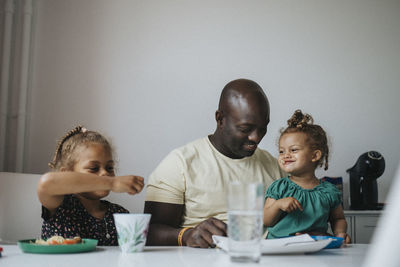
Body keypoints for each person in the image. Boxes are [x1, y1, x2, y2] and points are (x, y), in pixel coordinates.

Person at [144, 79, 285, 248]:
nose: (256, 137)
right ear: (220, 119)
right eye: (245, 129)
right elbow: (149, 232)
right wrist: (186, 235)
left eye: (262, 128)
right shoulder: (179, 164)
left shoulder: (273, 165)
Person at [37, 125, 144, 246]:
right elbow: (47, 182)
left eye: (109, 168)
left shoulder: (119, 214)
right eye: (94, 168)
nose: (105, 173)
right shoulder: (60, 206)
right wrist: (112, 182)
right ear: (66, 173)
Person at [263, 110, 351, 244]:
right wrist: (278, 205)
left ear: (315, 156)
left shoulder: (329, 191)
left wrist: (340, 233)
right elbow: (266, 220)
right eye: (281, 151)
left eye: (293, 150)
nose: (285, 155)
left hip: (315, 249)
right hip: (279, 250)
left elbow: (338, 219)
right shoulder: (279, 187)